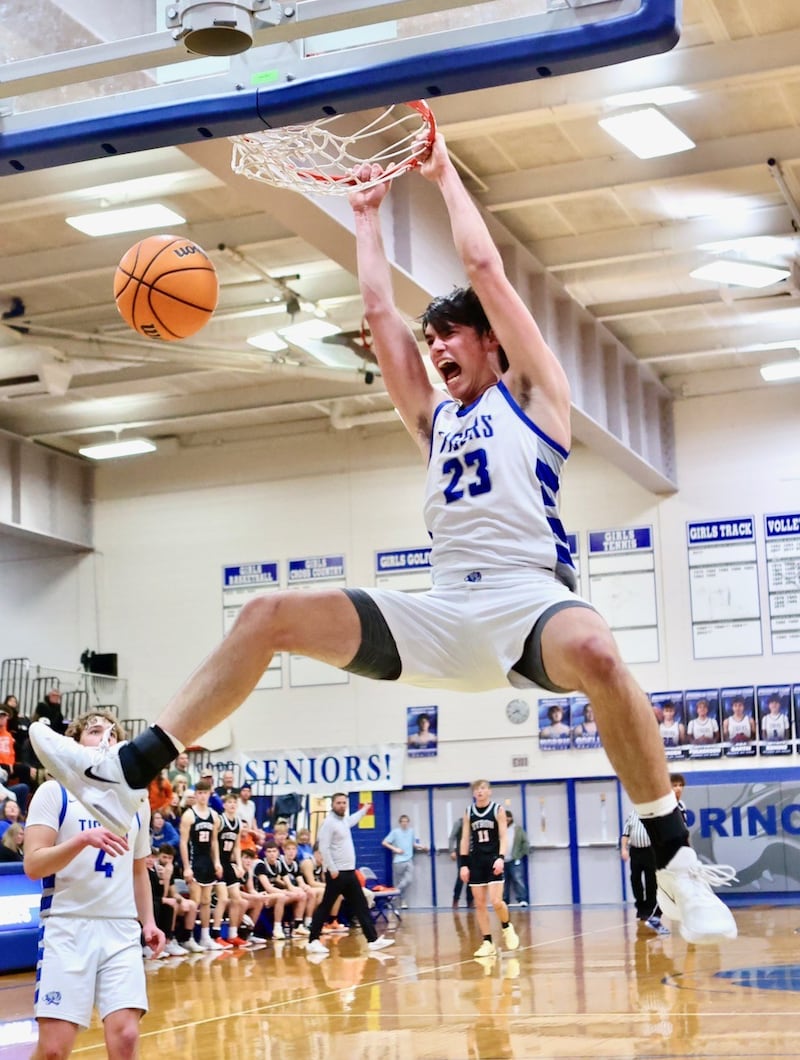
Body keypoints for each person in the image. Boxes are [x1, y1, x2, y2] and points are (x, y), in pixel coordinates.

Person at [29, 130, 737, 946]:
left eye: (451, 338)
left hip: (529, 603)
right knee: (266, 614)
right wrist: (364, 216)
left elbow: (486, 271)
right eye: (431, 339)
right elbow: (376, 313)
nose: (436, 349)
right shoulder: (434, 422)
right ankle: (128, 769)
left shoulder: (538, 396)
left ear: (492, 345)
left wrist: (441, 176)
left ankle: (676, 860)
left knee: (605, 656)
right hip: (442, 613)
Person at [24, 711, 163, 1059]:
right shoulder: (53, 792)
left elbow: (137, 870)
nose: (105, 738)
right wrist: (82, 839)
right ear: (73, 745)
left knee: (127, 1035)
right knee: (55, 1050)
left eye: (112, 733)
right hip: (68, 926)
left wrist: (148, 921)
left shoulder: (136, 801)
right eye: (95, 731)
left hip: (120, 929)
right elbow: (33, 865)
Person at [306, 793, 394, 958]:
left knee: (361, 905)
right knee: (326, 905)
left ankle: (372, 940)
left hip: (349, 872)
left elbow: (353, 819)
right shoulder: (329, 823)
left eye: (344, 803)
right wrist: (331, 868)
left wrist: (364, 810)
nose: (342, 805)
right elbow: (323, 847)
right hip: (337, 872)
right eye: (338, 803)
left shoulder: (342, 821)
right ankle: (313, 941)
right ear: (332, 804)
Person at [460, 780, 519, 958]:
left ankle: (507, 926)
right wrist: (464, 864)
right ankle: (487, 942)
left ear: (489, 792)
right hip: (476, 860)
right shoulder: (469, 812)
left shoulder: (497, 810)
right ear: (473, 793)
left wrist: (501, 858)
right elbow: (464, 839)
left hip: (493, 859)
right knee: (479, 904)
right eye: (477, 789)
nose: (480, 791)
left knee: (496, 901)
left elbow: (503, 836)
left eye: (483, 788)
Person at [179, 778, 225, 950]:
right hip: (194, 860)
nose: (203, 796)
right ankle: (188, 937)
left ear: (209, 794)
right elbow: (183, 843)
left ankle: (205, 937)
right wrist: (186, 867)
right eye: (199, 793)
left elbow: (214, 842)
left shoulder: (214, 816)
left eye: (205, 793)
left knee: (206, 901)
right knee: (195, 901)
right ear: (195, 795)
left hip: (207, 862)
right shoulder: (189, 815)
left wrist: (217, 863)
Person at [621, 807, 668, 935]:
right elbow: (625, 834)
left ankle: (649, 909)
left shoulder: (653, 815)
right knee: (635, 879)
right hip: (636, 851)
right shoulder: (632, 814)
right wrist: (624, 849)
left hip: (650, 851)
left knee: (651, 881)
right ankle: (640, 906)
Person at [382, 814, 428, 908]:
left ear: (408, 822)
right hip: (398, 861)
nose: (404, 823)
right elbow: (384, 842)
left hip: (409, 859)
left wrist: (422, 846)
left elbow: (413, 843)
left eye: (406, 821)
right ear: (400, 823)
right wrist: (395, 849)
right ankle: (403, 902)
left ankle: (393, 893)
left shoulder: (411, 832)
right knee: (400, 882)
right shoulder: (395, 832)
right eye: (403, 821)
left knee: (408, 880)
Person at [502, 811, 529, 907]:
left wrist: (521, 854)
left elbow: (525, 842)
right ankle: (504, 900)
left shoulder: (517, 829)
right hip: (501, 860)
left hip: (515, 859)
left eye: (508, 817)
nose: (506, 819)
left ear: (511, 818)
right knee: (503, 881)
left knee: (518, 879)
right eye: (504, 817)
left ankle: (522, 899)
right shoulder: (499, 829)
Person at [448, 817, 473, 909]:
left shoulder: (476, 822)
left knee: (472, 877)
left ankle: (470, 901)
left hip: (473, 853)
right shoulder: (459, 823)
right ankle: (455, 899)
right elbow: (451, 837)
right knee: (461, 877)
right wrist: (451, 851)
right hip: (462, 853)